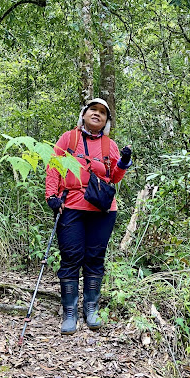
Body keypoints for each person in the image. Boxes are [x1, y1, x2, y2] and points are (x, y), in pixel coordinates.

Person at [45, 98, 132, 335]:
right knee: (71, 257)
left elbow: (113, 177)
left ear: (106, 121)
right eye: (93, 110)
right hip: (71, 206)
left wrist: (123, 162)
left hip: (102, 211)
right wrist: (52, 196)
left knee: (95, 258)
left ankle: (91, 309)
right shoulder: (68, 138)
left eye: (102, 113)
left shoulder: (109, 145)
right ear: (84, 114)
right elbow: (54, 167)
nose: (97, 114)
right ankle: (70, 312)